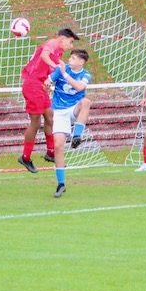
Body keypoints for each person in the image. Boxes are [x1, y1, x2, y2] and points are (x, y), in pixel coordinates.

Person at [17, 27, 79, 173]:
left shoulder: (58, 52)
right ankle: (25, 157)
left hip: (40, 86)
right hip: (32, 85)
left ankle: (51, 152)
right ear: (62, 39)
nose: (71, 46)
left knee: (50, 117)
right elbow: (45, 55)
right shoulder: (53, 43)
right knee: (36, 122)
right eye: (70, 42)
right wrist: (56, 65)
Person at [46, 49, 92, 197]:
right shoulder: (62, 69)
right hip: (59, 111)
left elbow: (80, 87)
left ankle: (76, 136)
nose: (69, 60)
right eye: (70, 58)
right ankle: (61, 184)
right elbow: (48, 80)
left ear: (81, 62)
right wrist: (46, 84)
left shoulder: (85, 74)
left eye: (73, 58)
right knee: (58, 146)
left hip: (74, 109)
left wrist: (65, 73)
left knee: (86, 101)